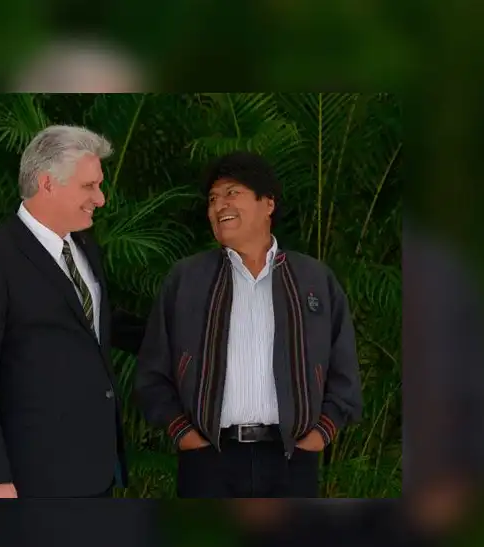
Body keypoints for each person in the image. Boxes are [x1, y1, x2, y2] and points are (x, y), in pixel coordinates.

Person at [133, 151, 363, 498]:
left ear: (267, 203)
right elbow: (153, 372)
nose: (218, 205)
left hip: (291, 461)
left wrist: (318, 437)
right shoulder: (186, 279)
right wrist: (185, 434)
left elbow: (343, 371)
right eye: (212, 198)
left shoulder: (314, 279)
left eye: (231, 193)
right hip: (207, 460)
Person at [0, 125, 135, 498]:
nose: (100, 198)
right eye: (89, 186)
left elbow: (93, 324)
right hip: (28, 479)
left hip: (95, 473)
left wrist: (184, 331)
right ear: (48, 183)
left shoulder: (85, 247)